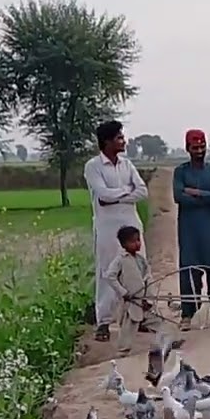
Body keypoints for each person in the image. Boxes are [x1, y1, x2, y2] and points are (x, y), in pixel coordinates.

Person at [85, 120, 148, 342]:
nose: (124, 141)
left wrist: (117, 195)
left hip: (131, 223)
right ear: (107, 141)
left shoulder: (127, 164)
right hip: (107, 228)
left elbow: (142, 191)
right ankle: (104, 322)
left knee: (138, 269)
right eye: (119, 138)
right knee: (107, 271)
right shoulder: (93, 166)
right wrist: (125, 192)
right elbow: (102, 195)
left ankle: (141, 317)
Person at [172, 129, 210, 331]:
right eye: (195, 148)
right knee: (189, 272)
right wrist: (209, 198)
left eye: (202, 147)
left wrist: (196, 193)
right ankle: (187, 314)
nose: (199, 151)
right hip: (189, 232)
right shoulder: (180, 172)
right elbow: (179, 197)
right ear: (187, 149)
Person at [104, 225, 161, 354]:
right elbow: (110, 276)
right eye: (133, 241)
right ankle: (123, 349)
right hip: (130, 301)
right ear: (124, 244)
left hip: (143, 300)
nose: (137, 244)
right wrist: (123, 292)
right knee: (128, 326)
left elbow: (147, 278)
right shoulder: (120, 260)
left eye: (138, 240)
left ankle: (168, 339)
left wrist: (148, 297)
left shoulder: (141, 260)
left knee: (156, 321)